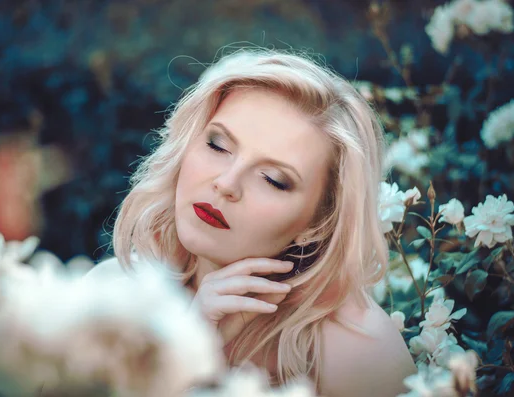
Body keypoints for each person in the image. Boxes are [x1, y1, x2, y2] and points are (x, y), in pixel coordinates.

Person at [87, 47, 417, 396]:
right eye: (217, 145)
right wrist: (187, 343)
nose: (226, 183)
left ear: (319, 222)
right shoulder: (110, 297)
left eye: (273, 178)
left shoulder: (357, 349)